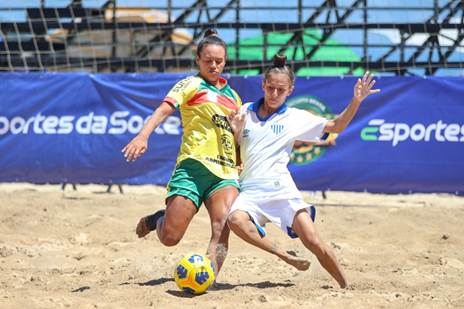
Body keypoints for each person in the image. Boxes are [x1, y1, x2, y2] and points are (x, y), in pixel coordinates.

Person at [226, 54, 380, 288]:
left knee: (314, 241)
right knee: (235, 220)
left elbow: (335, 126)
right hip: (250, 191)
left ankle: (345, 285)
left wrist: (356, 101)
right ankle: (283, 255)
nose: (275, 94)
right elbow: (237, 148)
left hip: (282, 191)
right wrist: (236, 131)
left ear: (290, 90)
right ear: (263, 85)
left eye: (281, 89)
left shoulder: (295, 117)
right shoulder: (245, 111)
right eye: (271, 88)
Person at [122, 29, 242, 275]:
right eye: (208, 60)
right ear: (198, 60)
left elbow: (238, 137)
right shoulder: (190, 84)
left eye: (218, 61)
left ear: (225, 61)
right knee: (170, 237)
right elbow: (163, 110)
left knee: (222, 225)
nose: (214, 65)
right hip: (194, 166)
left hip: (225, 172)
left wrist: (240, 161)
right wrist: (143, 136)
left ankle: (206, 278)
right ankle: (158, 218)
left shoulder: (234, 97)